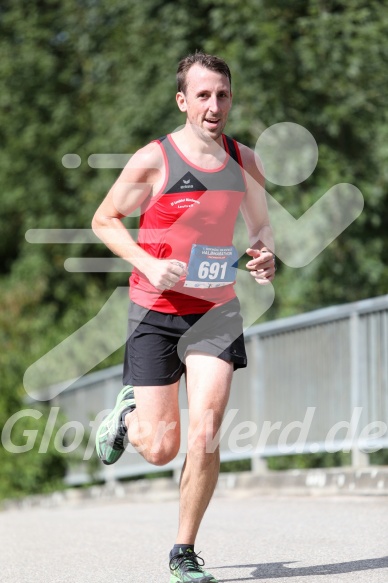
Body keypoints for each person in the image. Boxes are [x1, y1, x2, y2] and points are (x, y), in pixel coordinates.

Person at [92, 51, 275, 583]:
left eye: (222, 95)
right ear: (183, 101)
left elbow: (261, 228)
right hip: (155, 308)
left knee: (206, 432)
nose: (214, 105)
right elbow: (104, 220)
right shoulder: (156, 159)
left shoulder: (245, 160)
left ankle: (183, 550)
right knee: (160, 448)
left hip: (216, 310)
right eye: (202, 95)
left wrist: (263, 255)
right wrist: (150, 262)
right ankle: (128, 416)